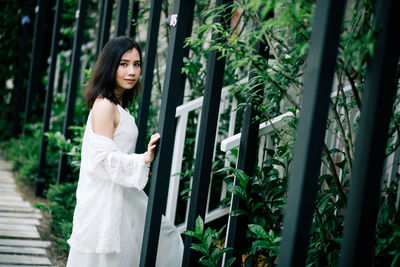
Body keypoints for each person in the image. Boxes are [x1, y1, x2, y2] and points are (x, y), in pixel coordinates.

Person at [66, 36, 184, 267]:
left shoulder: (116, 104)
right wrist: (144, 159)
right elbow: (102, 159)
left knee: (166, 238)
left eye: (136, 64)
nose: (132, 71)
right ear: (111, 66)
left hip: (125, 194)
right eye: (124, 64)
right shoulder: (104, 105)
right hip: (109, 196)